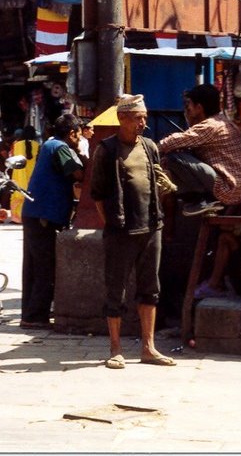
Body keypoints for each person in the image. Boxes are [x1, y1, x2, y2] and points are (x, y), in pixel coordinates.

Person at [89, 94, 176, 369]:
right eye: (138, 118)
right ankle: (115, 349)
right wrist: (112, 224)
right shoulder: (106, 150)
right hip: (121, 231)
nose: (143, 123)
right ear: (122, 118)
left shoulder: (149, 146)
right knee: (116, 289)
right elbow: (98, 194)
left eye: (144, 118)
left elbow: (156, 181)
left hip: (151, 227)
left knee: (150, 289)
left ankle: (148, 348)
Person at [20, 114, 84, 329]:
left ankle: (30, 314)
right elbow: (77, 174)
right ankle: (35, 317)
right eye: (79, 135)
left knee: (34, 266)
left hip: (35, 212)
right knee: (45, 268)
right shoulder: (60, 147)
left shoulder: (49, 145)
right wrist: (82, 153)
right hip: (44, 215)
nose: (79, 138)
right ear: (72, 133)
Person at [158, 83, 241, 217]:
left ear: (199, 108)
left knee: (173, 158)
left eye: (189, 107)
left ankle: (200, 199)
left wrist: (150, 149)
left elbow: (170, 143)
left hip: (230, 189)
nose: (187, 111)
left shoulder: (210, 126)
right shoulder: (224, 122)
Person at [10, 126, 38, 222]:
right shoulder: (37, 145)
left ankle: (17, 218)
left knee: (17, 194)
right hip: (32, 173)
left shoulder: (16, 144)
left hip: (19, 173)